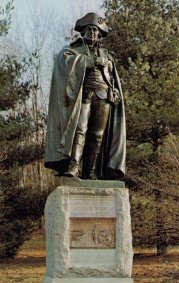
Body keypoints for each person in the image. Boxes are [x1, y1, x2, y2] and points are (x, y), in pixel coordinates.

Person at [44, 12, 126, 180]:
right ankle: (74, 167)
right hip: (84, 95)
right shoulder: (72, 50)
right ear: (83, 31)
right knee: (80, 129)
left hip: (104, 96)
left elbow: (111, 78)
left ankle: (91, 171)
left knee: (97, 135)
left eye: (96, 30)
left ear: (100, 34)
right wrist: (88, 62)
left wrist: (115, 90)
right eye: (90, 29)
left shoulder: (106, 54)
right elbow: (64, 63)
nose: (93, 33)